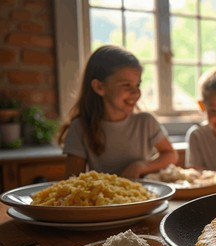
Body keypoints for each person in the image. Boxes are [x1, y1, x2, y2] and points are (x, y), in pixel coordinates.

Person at [58, 45, 178, 179]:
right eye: (126, 85)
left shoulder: (146, 122)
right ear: (99, 87)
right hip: (105, 200)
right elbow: (72, 181)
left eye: (137, 85)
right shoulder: (80, 128)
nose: (136, 92)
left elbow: (171, 155)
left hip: (143, 197)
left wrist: (140, 166)